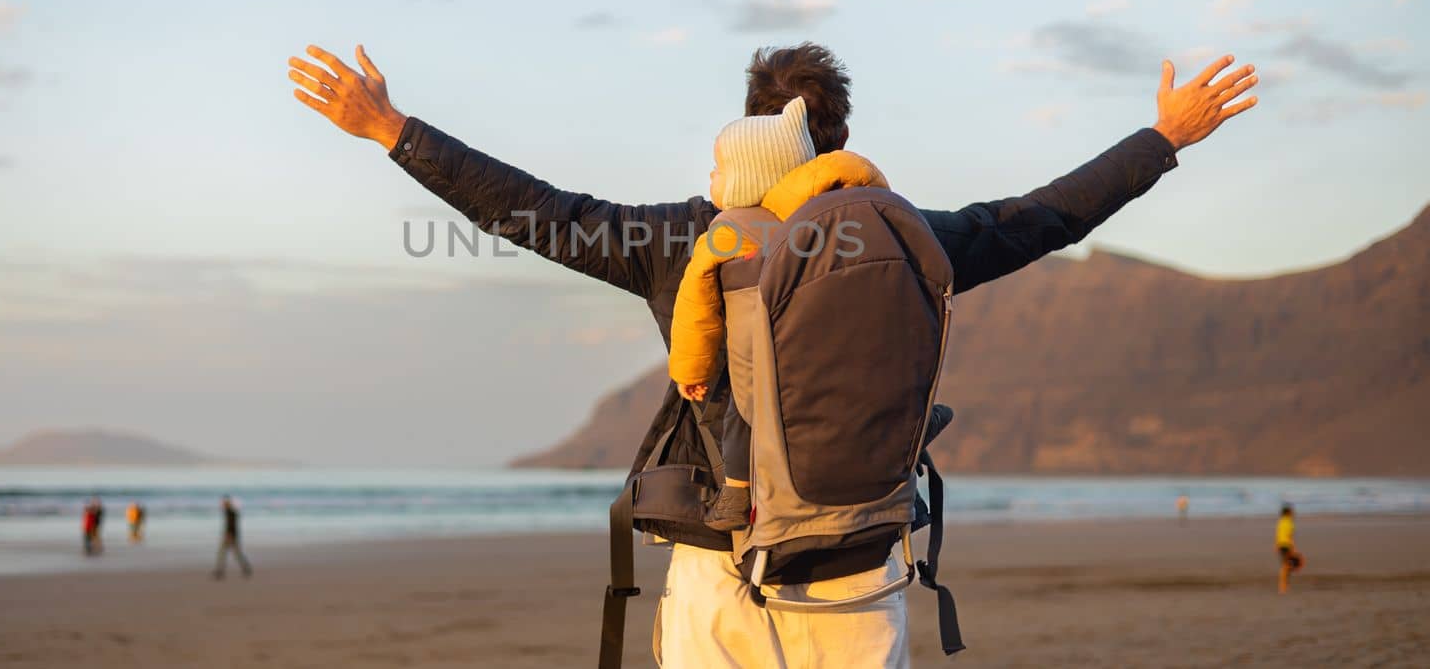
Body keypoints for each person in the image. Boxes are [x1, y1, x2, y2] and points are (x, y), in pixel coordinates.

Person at [287, 40, 1258, 667]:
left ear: (750, 128)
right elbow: (1040, 217)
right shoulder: (905, 235)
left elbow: (535, 212)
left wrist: (390, 130)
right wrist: (1161, 136)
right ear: (837, 140)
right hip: (861, 567)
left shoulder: (684, 239)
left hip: (720, 570)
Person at [664, 95, 883, 531]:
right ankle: (912, 421)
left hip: (765, 376)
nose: (712, 176)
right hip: (849, 371)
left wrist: (691, 369)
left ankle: (736, 494)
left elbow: (697, 307)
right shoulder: (837, 216)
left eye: (720, 169)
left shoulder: (727, 233)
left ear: (748, 179)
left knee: (740, 414)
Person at [213, 495, 252, 579]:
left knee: (229, 553)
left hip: (230, 536)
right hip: (230, 535)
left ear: (227, 503)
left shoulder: (230, 512)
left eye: (224, 503)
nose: (222, 504)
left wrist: (229, 535)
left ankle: (220, 571)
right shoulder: (230, 511)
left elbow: (232, 525)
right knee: (228, 553)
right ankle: (220, 571)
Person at [1276, 504, 1304, 594]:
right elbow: (1289, 536)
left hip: (1281, 545)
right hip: (1287, 545)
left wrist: (1276, 546)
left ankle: (1284, 585)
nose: (1293, 513)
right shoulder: (1289, 522)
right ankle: (1282, 586)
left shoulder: (1280, 522)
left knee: (1286, 565)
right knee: (1287, 566)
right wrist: (1293, 548)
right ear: (1288, 513)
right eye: (1292, 512)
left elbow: (1278, 535)